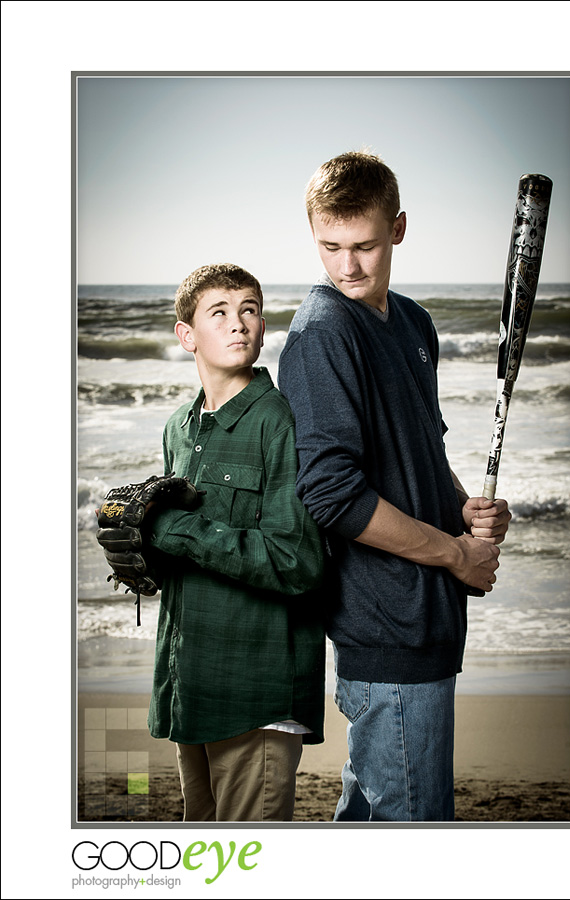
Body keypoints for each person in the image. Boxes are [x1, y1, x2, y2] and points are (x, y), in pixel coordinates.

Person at [277, 151, 511, 822]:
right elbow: (330, 496)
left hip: (428, 618)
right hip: (387, 624)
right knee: (409, 833)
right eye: (331, 247)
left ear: (398, 229)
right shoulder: (322, 336)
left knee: (378, 819)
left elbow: (423, 457)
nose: (348, 266)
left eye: (365, 245)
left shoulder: (412, 323)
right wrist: (453, 554)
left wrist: (466, 509)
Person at [145, 263, 325, 822]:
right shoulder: (179, 427)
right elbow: (177, 553)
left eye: (248, 310)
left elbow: (297, 561)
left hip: (258, 689)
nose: (237, 324)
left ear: (264, 326)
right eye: (218, 313)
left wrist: (178, 531)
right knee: (204, 856)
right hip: (189, 684)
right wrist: (146, 552)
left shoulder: (280, 422)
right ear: (186, 335)